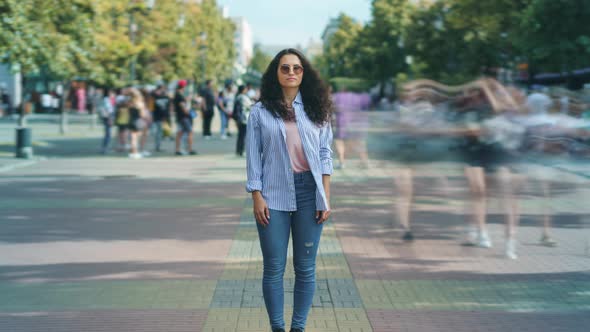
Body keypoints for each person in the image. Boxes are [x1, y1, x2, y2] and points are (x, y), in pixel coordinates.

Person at [246, 48, 333, 332]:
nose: (291, 72)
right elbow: (252, 157)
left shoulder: (317, 109)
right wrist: (256, 196)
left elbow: (325, 154)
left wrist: (325, 196)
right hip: (273, 194)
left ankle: (298, 327)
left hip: (310, 192)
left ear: (303, 73)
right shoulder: (259, 112)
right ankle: (277, 328)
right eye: (285, 68)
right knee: (274, 268)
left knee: (305, 268)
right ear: (276, 73)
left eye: (297, 68)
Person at [174, 80, 197, 155]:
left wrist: (188, 99)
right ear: (183, 86)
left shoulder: (179, 94)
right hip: (184, 117)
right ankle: (189, 150)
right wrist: (190, 113)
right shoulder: (179, 95)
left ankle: (178, 150)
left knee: (180, 133)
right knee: (190, 132)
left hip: (181, 117)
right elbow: (183, 107)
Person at [233, 85, 252, 156]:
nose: (246, 90)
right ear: (243, 90)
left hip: (239, 118)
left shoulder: (237, 97)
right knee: (243, 135)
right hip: (244, 119)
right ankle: (241, 151)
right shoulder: (243, 97)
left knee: (240, 135)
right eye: (246, 89)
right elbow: (250, 106)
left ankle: (238, 150)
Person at [152, 85, 171, 152]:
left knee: (159, 132)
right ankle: (157, 147)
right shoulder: (154, 96)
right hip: (156, 117)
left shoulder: (166, 97)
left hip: (162, 117)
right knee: (158, 132)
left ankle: (158, 146)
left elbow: (168, 107)